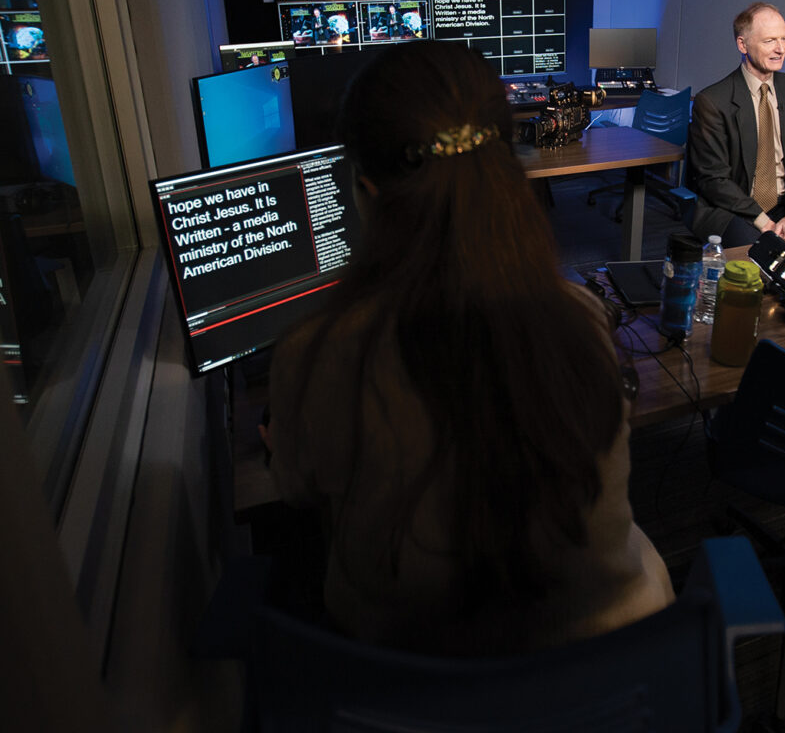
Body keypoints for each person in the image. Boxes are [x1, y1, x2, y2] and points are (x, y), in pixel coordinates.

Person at [263, 41, 674, 656]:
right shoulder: (584, 320)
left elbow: (297, 490)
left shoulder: (313, 355)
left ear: (366, 190)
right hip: (604, 676)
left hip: (406, 689)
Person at [686, 1, 785, 248]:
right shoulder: (713, 101)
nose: (781, 49)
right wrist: (766, 224)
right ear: (743, 44)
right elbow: (713, 179)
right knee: (768, 261)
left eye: (784, 39)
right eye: (769, 40)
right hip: (733, 210)